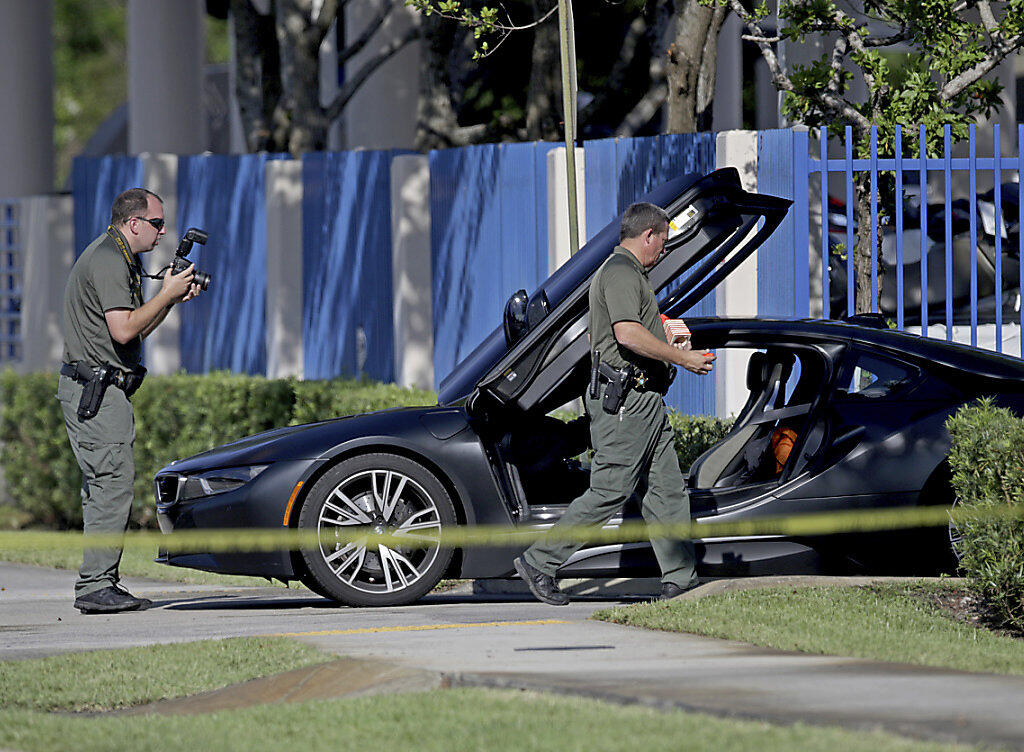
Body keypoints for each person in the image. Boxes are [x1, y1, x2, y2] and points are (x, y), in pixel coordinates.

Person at [514, 202, 715, 605]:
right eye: (663, 240)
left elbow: (612, 334)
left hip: (644, 401)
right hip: (626, 403)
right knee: (610, 489)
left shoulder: (628, 274)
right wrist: (684, 359)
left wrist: (668, 336)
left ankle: (680, 579)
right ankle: (540, 562)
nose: (665, 249)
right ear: (648, 235)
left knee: (667, 491)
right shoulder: (621, 272)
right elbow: (626, 334)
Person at [59, 188, 201, 614]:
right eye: (157, 223)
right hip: (96, 392)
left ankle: (99, 582)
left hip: (102, 390)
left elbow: (135, 331)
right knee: (112, 483)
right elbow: (123, 330)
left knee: (106, 484)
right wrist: (166, 294)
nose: (163, 231)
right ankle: (95, 586)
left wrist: (169, 299)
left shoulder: (120, 257)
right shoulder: (108, 260)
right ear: (133, 223)